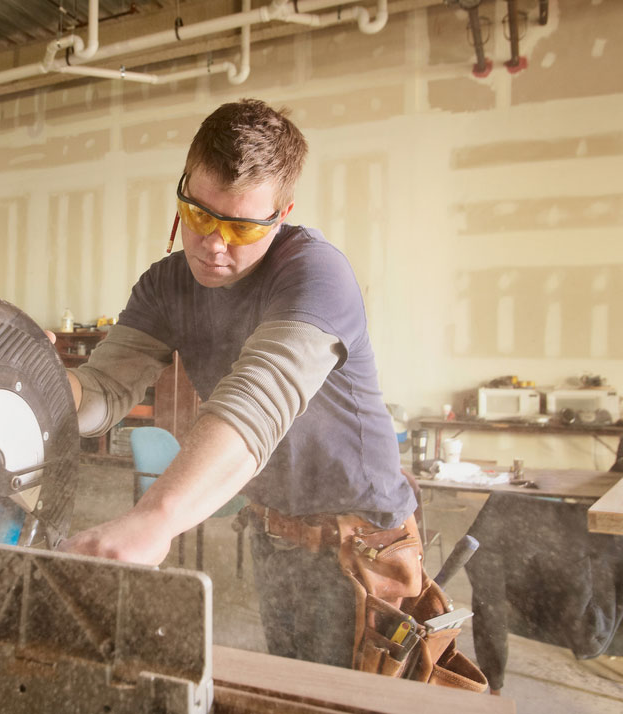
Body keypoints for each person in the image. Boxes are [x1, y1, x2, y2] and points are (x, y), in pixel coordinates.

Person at [57, 98, 418, 669]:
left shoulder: (315, 274)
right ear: (184, 189)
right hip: (275, 532)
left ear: (282, 214)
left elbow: (259, 399)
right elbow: (100, 391)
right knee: (292, 691)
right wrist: (20, 387)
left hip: (363, 547)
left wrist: (153, 519)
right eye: (199, 215)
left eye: (241, 227)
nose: (213, 244)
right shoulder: (165, 286)